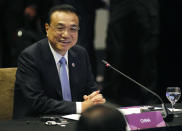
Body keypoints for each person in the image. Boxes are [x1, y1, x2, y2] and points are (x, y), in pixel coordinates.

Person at [13, 4, 105, 119]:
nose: (66, 35)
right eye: (60, 28)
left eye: (73, 29)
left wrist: (95, 99)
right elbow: (38, 102)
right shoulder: (30, 56)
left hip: (74, 121)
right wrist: (81, 107)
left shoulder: (81, 54)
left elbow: (91, 89)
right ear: (47, 28)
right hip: (37, 121)